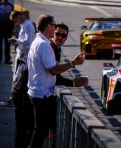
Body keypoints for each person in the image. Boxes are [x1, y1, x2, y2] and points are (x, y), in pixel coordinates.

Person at [27, 15, 86, 148]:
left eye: (62, 35)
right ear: (48, 26)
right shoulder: (44, 45)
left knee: (40, 130)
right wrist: (73, 63)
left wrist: (73, 82)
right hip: (42, 94)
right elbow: (53, 70)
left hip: (37, 92)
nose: (55, 32)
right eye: (54, 27)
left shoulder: (37, 41)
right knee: (47, 130)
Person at [0, 11, 36, 108]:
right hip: (21, 55)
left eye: (16, 20)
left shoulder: (28, 25)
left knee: (17, 79)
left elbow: (29, 43)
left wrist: (16, 41)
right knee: (17, 78)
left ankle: (14, 100)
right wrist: (17, 42)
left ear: (19, 16)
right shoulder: (25, 24)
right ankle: (15, 99)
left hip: (24, 57)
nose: (16, 23)